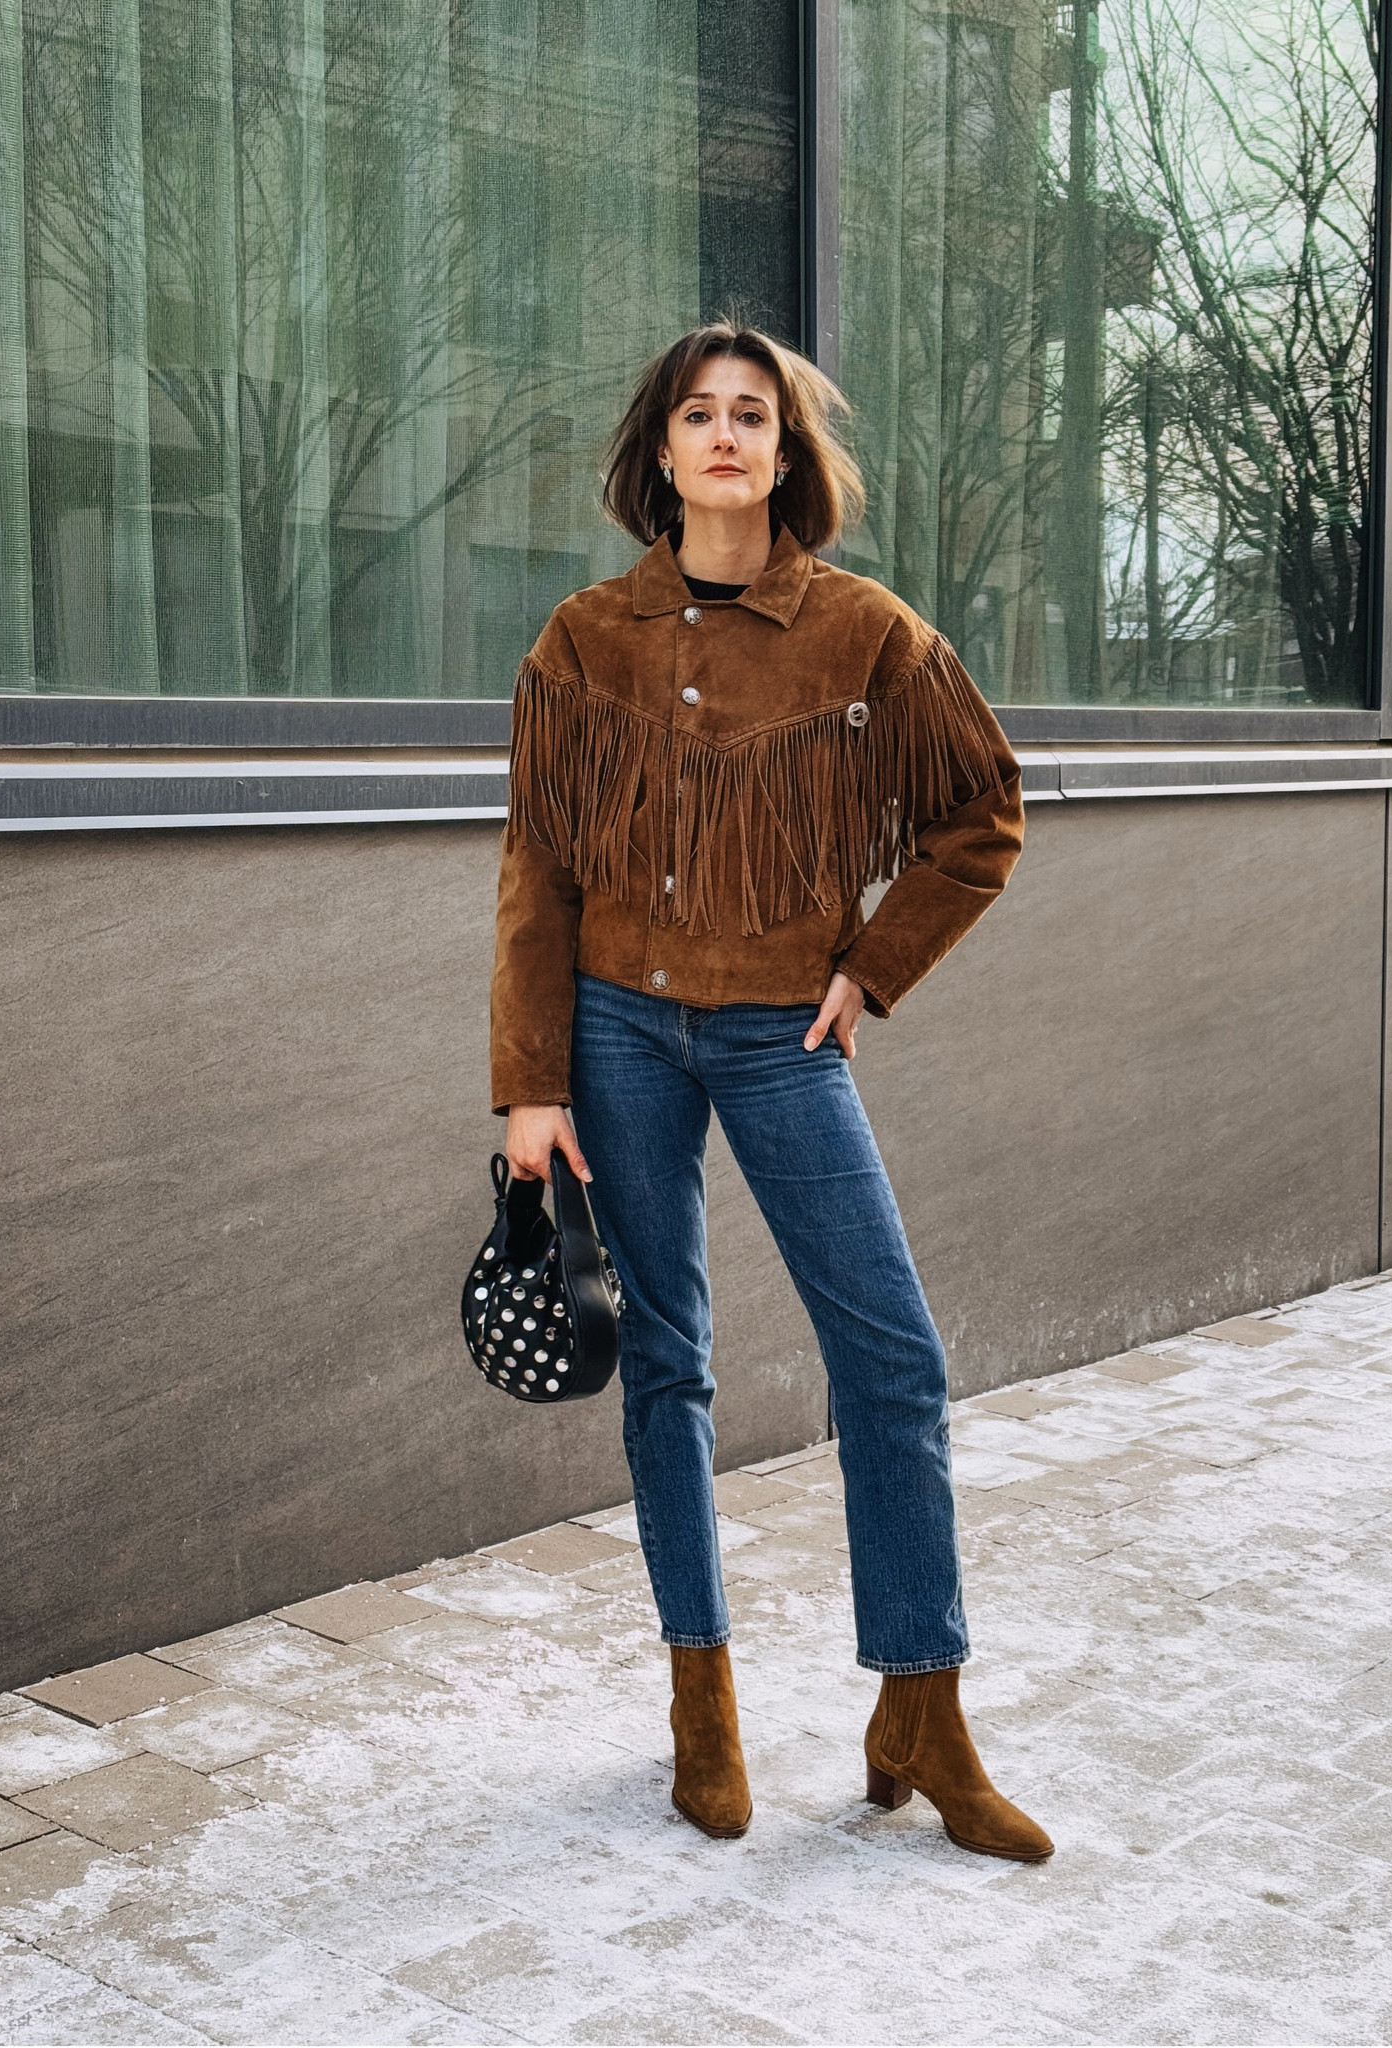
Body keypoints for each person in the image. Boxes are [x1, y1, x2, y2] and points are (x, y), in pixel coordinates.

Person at [490, 322, 1050, 1862]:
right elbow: (535, 871)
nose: (726, 435)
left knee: (892, 1357)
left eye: (755, 414)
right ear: (660, 452)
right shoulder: (581, 640)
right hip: (611, 1030)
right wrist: (529, 1087)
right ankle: (700, 1707)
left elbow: (979, 816)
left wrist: (869, 969)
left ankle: (920, 1712)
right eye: (699, 413)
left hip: (774, 1040)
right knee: (668, 1367)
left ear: (788, 452)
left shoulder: (865, 634)